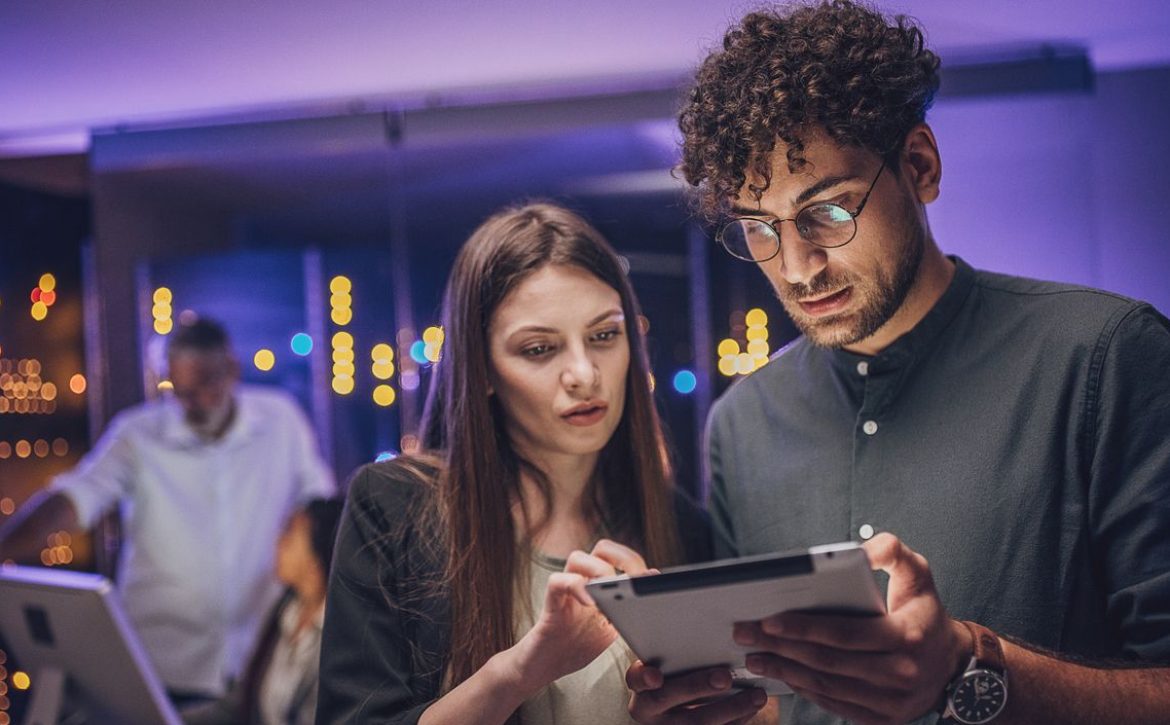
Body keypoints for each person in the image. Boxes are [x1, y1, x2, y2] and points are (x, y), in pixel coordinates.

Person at [621, 2, 1170, 724]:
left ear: (920, 166)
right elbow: (776, 705)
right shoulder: (741, 425)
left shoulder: (1106, 357)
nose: (797, 267)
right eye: (759, 229)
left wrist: (967, 665)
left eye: (829, 211)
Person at [316, 202, 716, 724]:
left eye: (603, 336)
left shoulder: (679, 524)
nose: (583, 373)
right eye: (539, 349)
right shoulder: (394, 508)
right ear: (481, 370)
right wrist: (521, 671)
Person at [0, 318, 336, 702]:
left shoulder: (281, 420)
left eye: (204, 386)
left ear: (231, 370)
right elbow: (75, 499)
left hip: (258, 664)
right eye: (180, 391)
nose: (191, 404)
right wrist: (4, 548)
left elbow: (318, 507)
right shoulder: (136, 434)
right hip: (162, 667)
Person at [183, 497, 344, 725]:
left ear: (316, 558)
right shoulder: (284, 611)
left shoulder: (341, 634)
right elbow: (239, 703)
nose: (278, 541)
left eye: (289, 533)